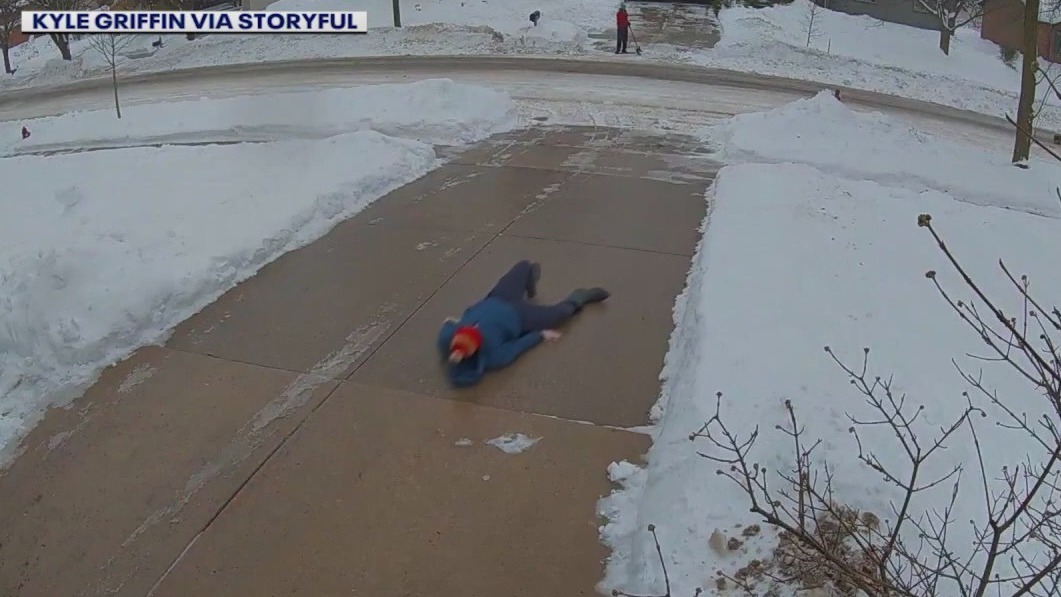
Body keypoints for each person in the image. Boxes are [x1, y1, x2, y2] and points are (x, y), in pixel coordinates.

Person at [437, 260, 610, 387]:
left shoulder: (447, 339)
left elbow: (447, 325)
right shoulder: (494, 357)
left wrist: (454, 321)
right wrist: (541, 334)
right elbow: (519, 345)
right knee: (560, 314)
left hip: (498, 297)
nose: (475, 326)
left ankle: (530, 281)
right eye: (475, 331)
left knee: (523, 266)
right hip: (520, 316)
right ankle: (579, 297)